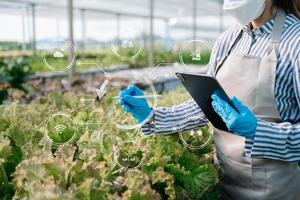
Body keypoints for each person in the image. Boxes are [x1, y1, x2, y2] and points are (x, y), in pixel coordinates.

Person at [119, 0, 300, 199]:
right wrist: (152, 117)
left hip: (274, 190)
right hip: (222, 182)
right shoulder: (228, 40)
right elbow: (208, 104)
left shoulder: (295, 42)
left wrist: (258, 131)